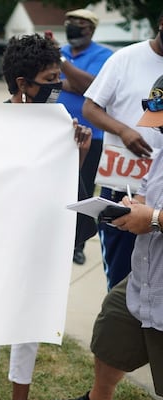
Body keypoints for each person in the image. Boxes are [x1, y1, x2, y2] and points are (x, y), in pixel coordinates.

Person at [0, 34, 93, 400]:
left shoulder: (57, 122)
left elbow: (64, 189)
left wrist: (79, 152)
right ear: (23, 83)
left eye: (59, 76)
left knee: (30, 323)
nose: (59, 86)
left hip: (41, 240)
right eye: (50, 78)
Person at [49, 74, 163, 400]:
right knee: (111, 333)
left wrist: (155, 218)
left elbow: (155, 215)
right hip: (144, 278)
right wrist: (137, 204)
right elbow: (149, 191)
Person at [82, 11, 163, 290]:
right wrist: (123, 131)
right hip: (124, 189)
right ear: (161, 23)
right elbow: (90, 107)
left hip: (160, 190)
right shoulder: (124, 59)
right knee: (120, 281)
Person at [56, 8, 113, 265]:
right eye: (69, 23)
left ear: (90, 28)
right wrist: (74, 82)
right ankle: (59, 237)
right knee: (58, 187)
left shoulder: (104, 56)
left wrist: (63, 66)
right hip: (58, 133)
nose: (72, 28)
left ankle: (77, 243)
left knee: (83, 189)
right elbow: (62, 84)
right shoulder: (62, 52)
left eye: (78, 24)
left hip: (91, 135)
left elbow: (92, 87)